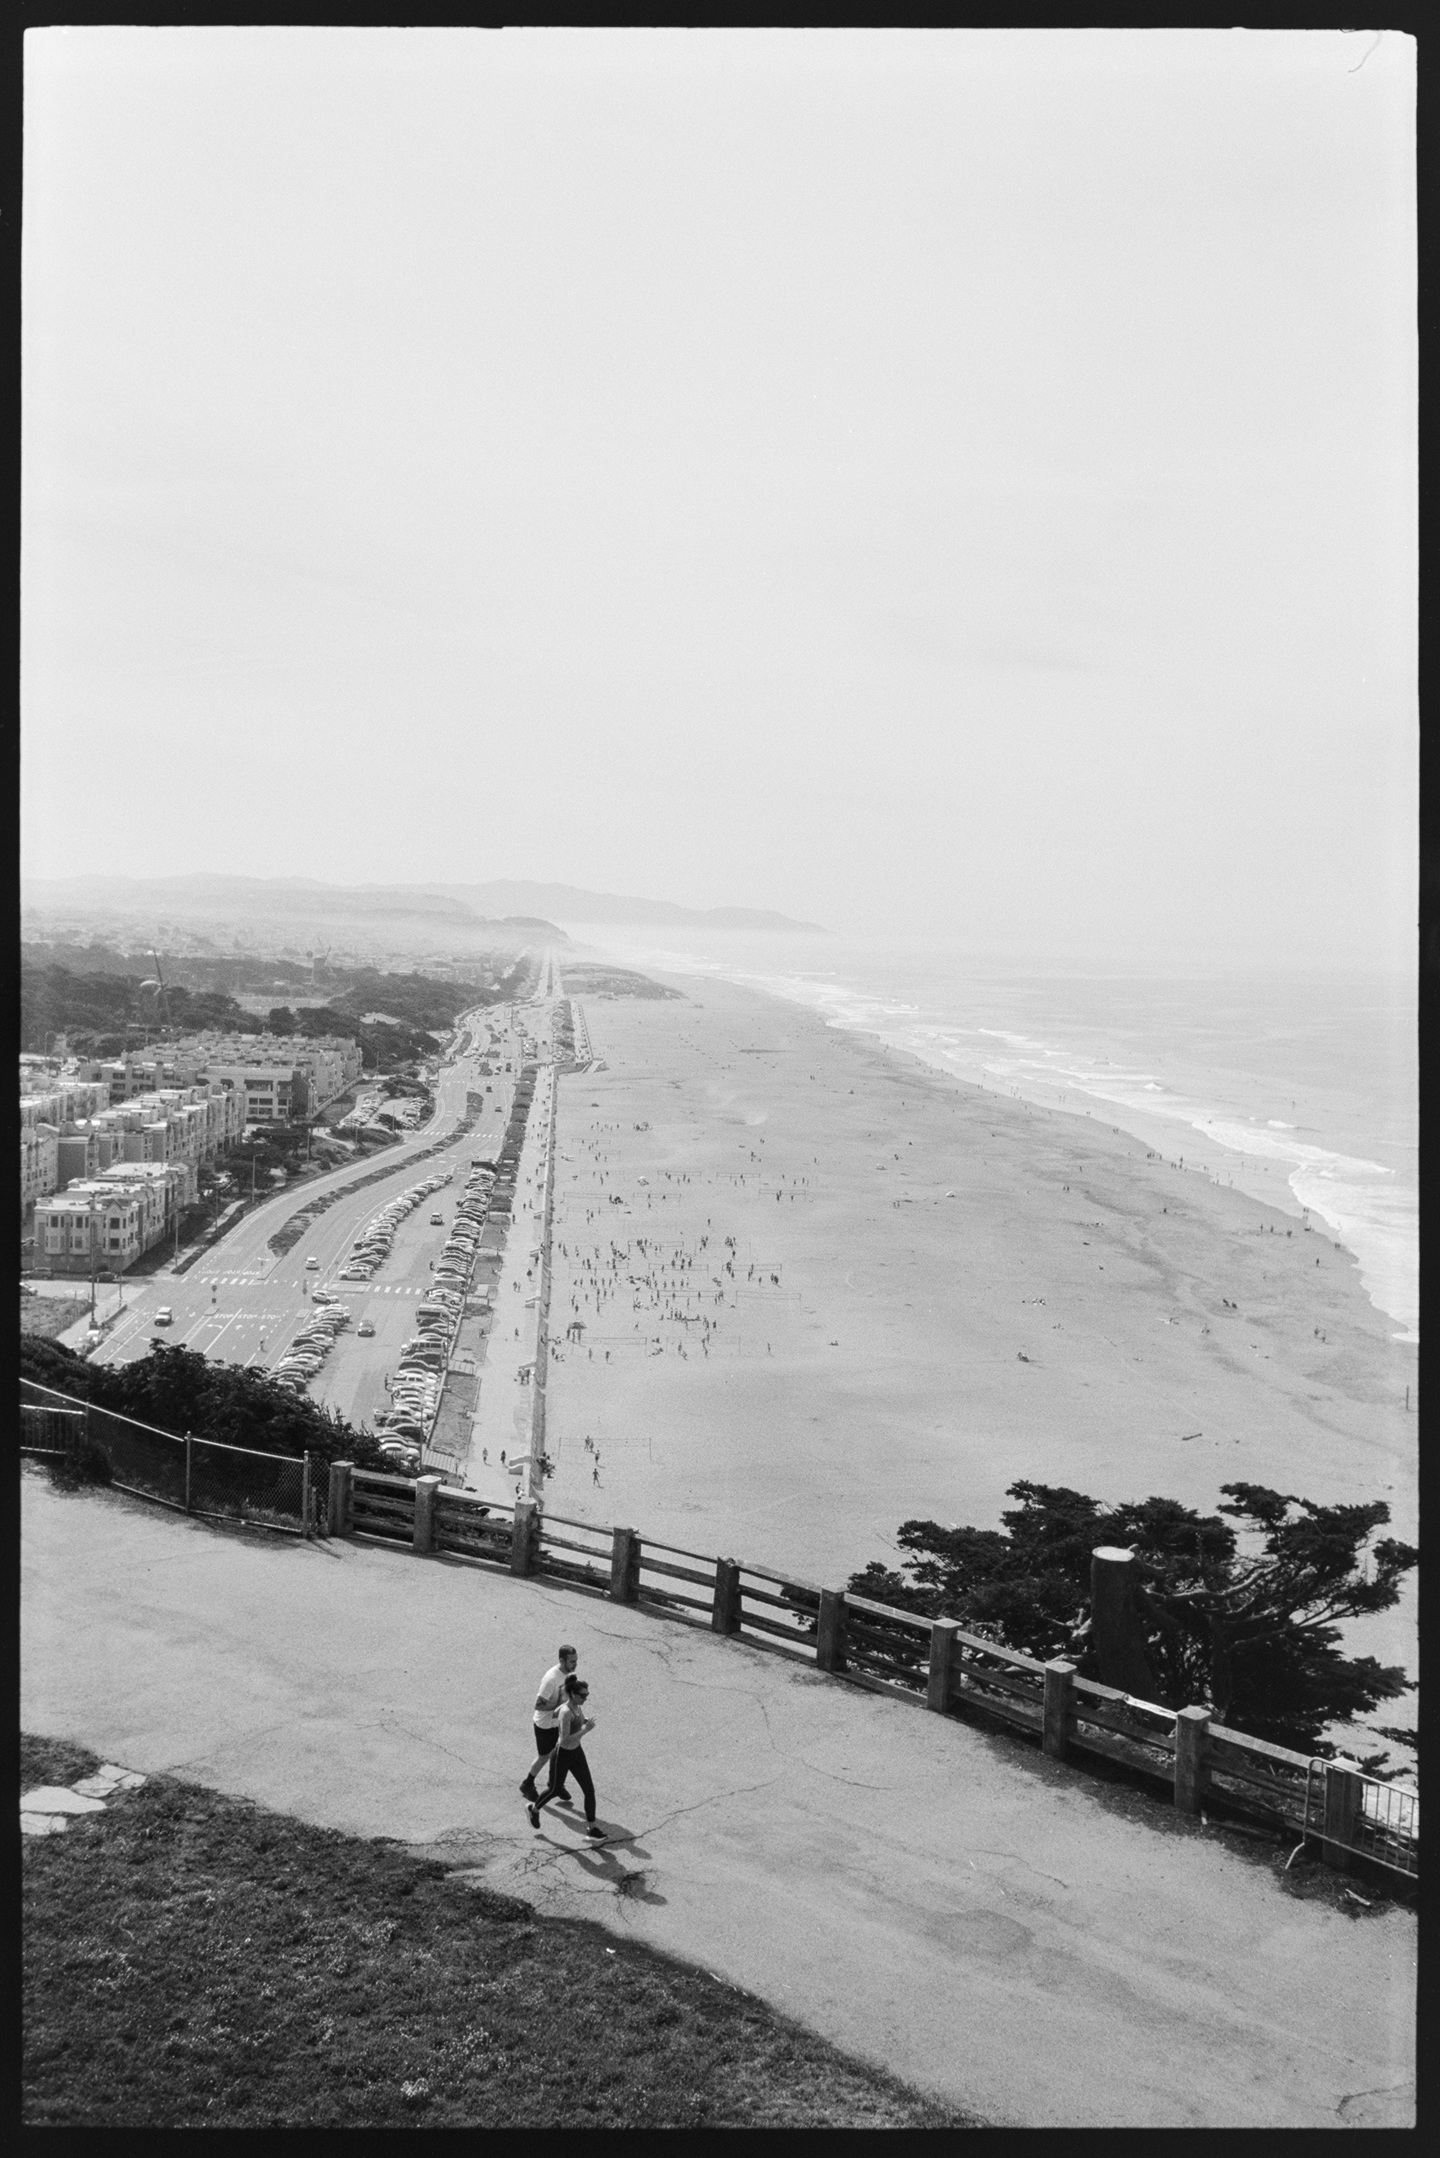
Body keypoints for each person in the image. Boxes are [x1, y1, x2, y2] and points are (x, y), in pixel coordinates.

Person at [528, 1676, 604, 1839]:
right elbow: (564, 1739)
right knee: (555, 1789)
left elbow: (555, 1712)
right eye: (583, 1695)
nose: (585, 1698)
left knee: (589, 1790)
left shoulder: (575, 1706)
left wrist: (581, 1720)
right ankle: (533, 1809)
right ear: (573, 1694)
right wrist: (585, 1730)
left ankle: (591, 1828)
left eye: (587, 1694)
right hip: (562, 1754)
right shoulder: (566, 1712)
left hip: (576, 1752)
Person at [519, 1643, 578, 1802]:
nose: (575, 1664)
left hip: (557, 1722)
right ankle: (527, 1784)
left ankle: (555, 1784)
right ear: (562, 1660)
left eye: (576, 1660)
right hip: (544, 1725)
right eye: (571, 1661)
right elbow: (538, 1704)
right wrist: (560, 1705)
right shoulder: (551, 1678)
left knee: (564, 1754)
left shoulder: (570, 1674)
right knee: (544, 1757)